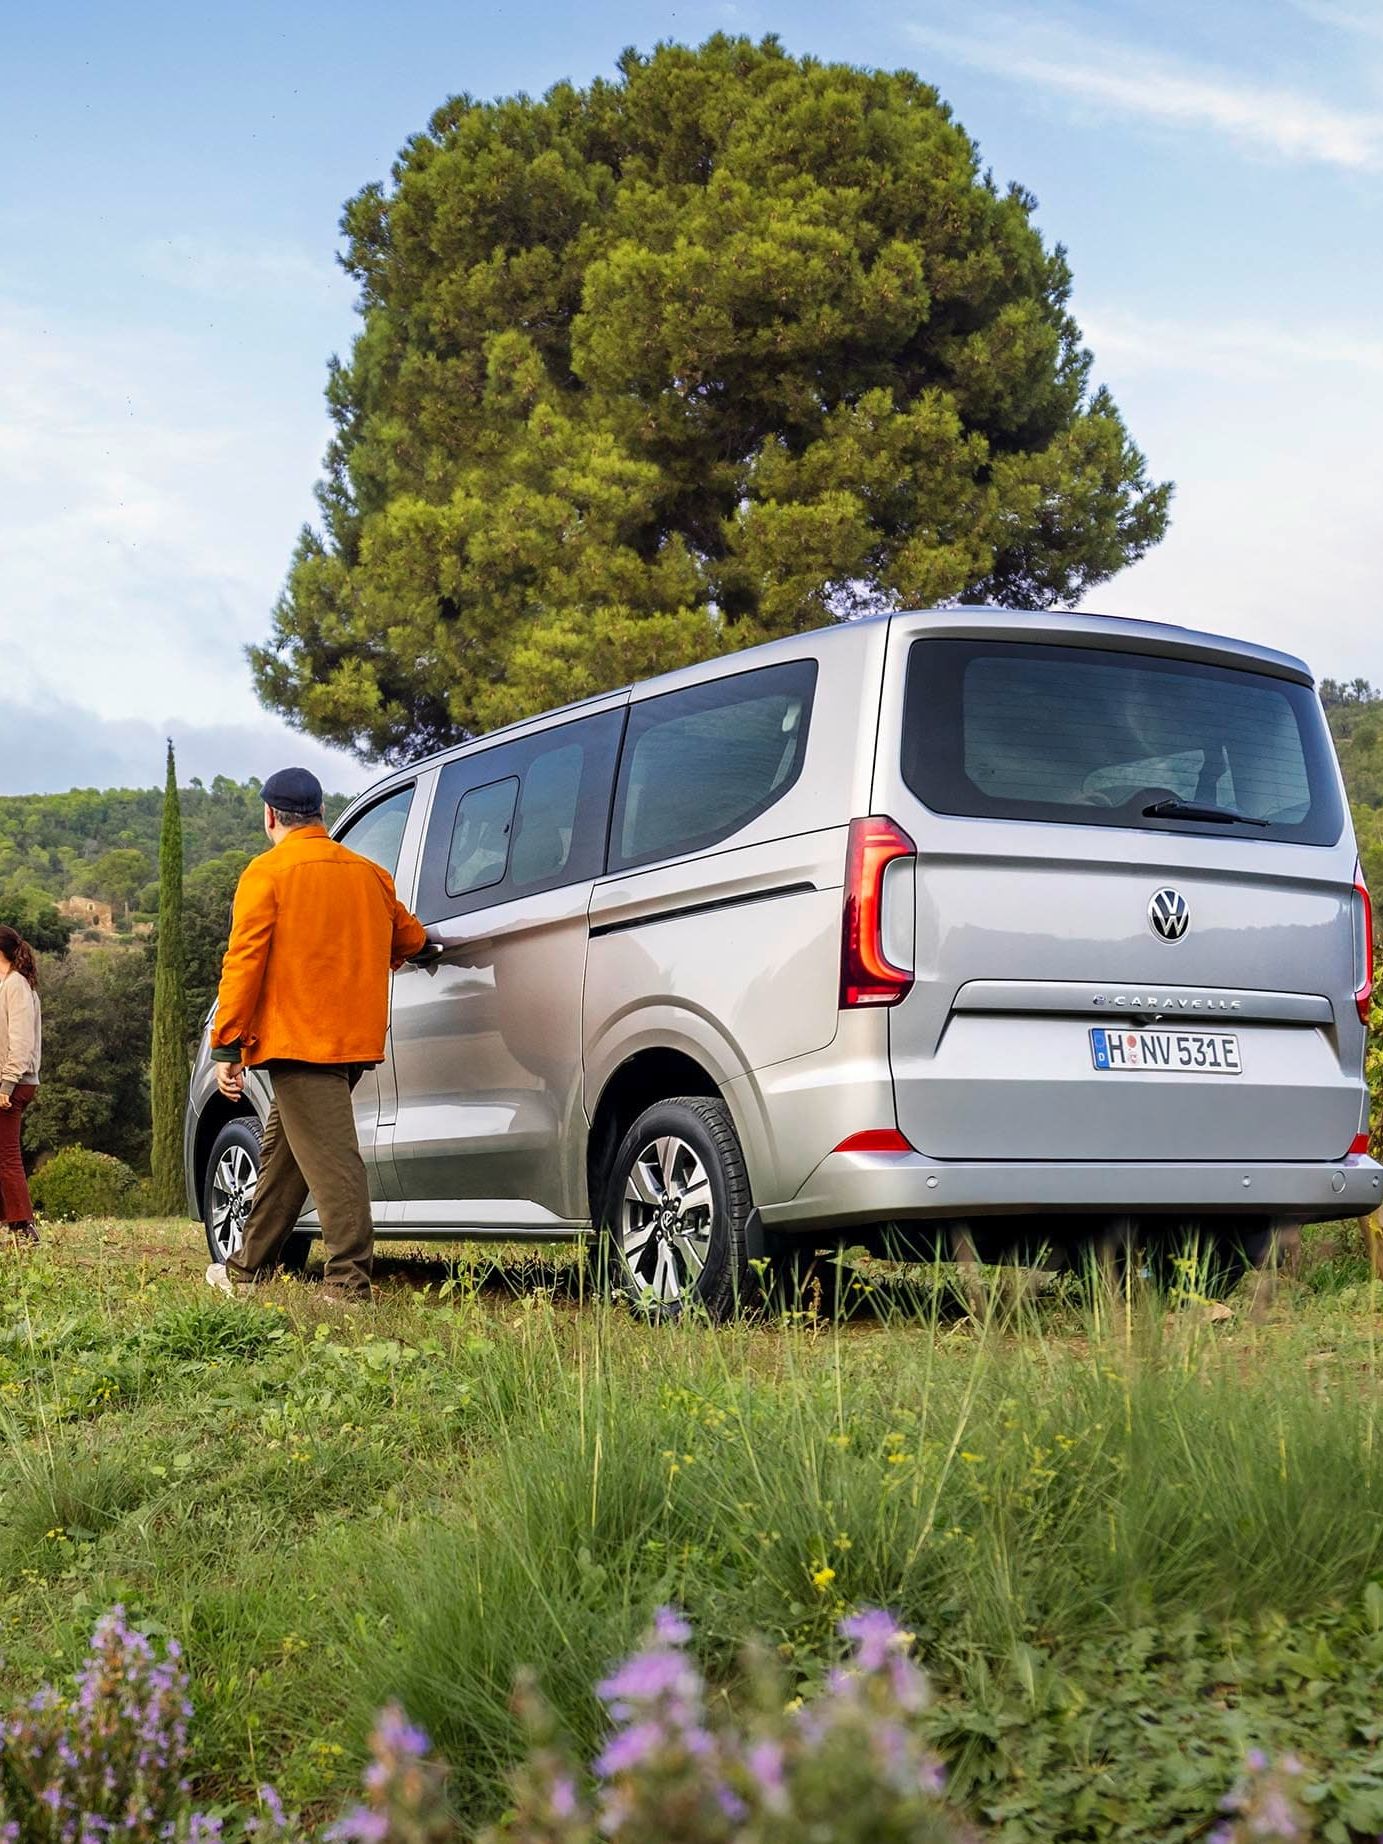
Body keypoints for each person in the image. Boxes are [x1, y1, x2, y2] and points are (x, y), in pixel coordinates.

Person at [206, 768, 430, 1303]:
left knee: (332, 1161)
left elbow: (243, 964)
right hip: (351, 1042)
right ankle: (247, 1268)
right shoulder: (370, 874)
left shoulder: (267, 873)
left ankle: (349, 1283)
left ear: (270, 816)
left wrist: (227, 1044)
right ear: (320, 814)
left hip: (296, 1041)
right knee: (286, 1157)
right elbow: (411, 938)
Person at [0, 925, 42, 1249]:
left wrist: (7, 1084)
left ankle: (23, 1226)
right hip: (10, 1081)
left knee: (7, 1156)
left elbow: (22, 1042)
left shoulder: (16, 985)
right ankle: (14, 1223)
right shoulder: (8, 983)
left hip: (14, 1084)